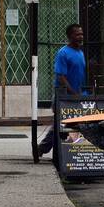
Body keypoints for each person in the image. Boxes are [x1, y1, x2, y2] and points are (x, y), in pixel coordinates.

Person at [38, 23, 87, 157]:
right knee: (60, 125)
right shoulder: (63, 53)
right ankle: (42, 149)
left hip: (78, 94)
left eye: (81, 34)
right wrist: (73, 92)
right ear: (70, 36)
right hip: (64, 95)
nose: (80, 37)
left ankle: (63, 152)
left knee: (68, 125)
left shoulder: (80, 53)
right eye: (77, 34)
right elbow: (61, 77)